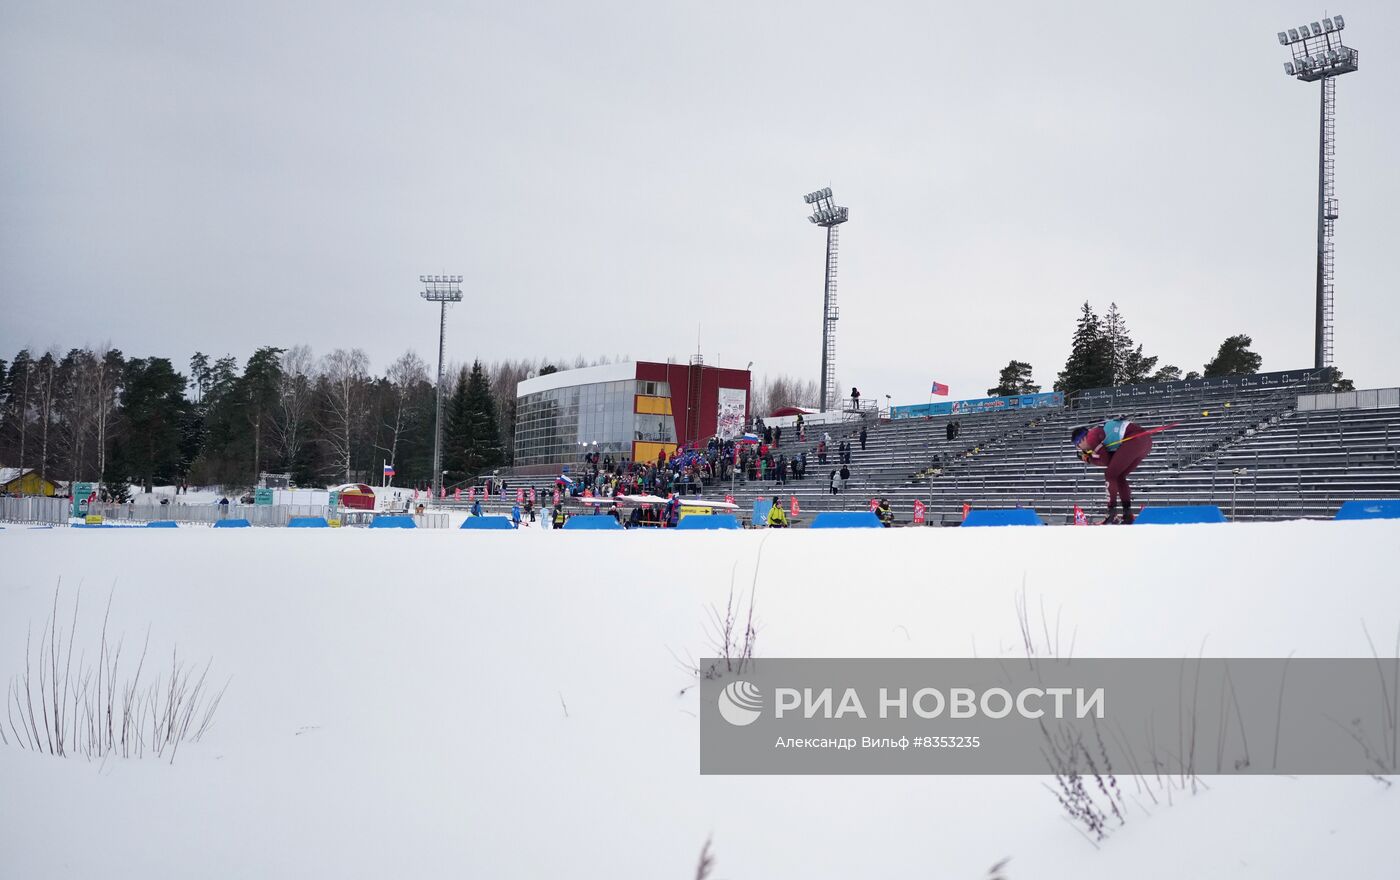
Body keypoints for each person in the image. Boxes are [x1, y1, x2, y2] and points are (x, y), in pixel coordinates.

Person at [1072, 420, 1154, 524]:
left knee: (1110, 474)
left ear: (1081, 439)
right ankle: (1127, 514)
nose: (1079, 449)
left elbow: (1106, 461)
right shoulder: (1096, 434)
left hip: (1134, 439)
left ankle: (1111, 513)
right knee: (1119, 476)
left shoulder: (1091, 437)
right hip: (1144, 441)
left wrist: (1088, 459)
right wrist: (1091, 457)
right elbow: (1110, 461)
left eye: (1077, 445)